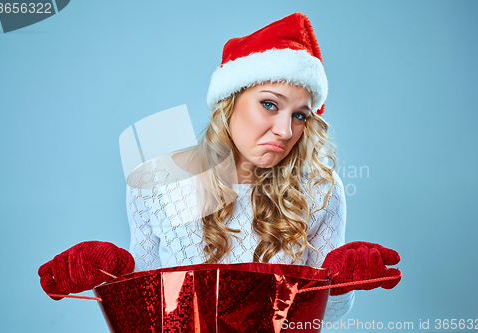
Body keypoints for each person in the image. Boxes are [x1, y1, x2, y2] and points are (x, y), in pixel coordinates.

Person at [38, 12, 401, 324]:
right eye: (270, 105)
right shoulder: (154, 181)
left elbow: (323, 316)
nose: (286, 131)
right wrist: (107, 276)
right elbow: (153, 306)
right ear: (229, 102)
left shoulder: (320, 187)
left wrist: (340, 281)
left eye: (300, 115)